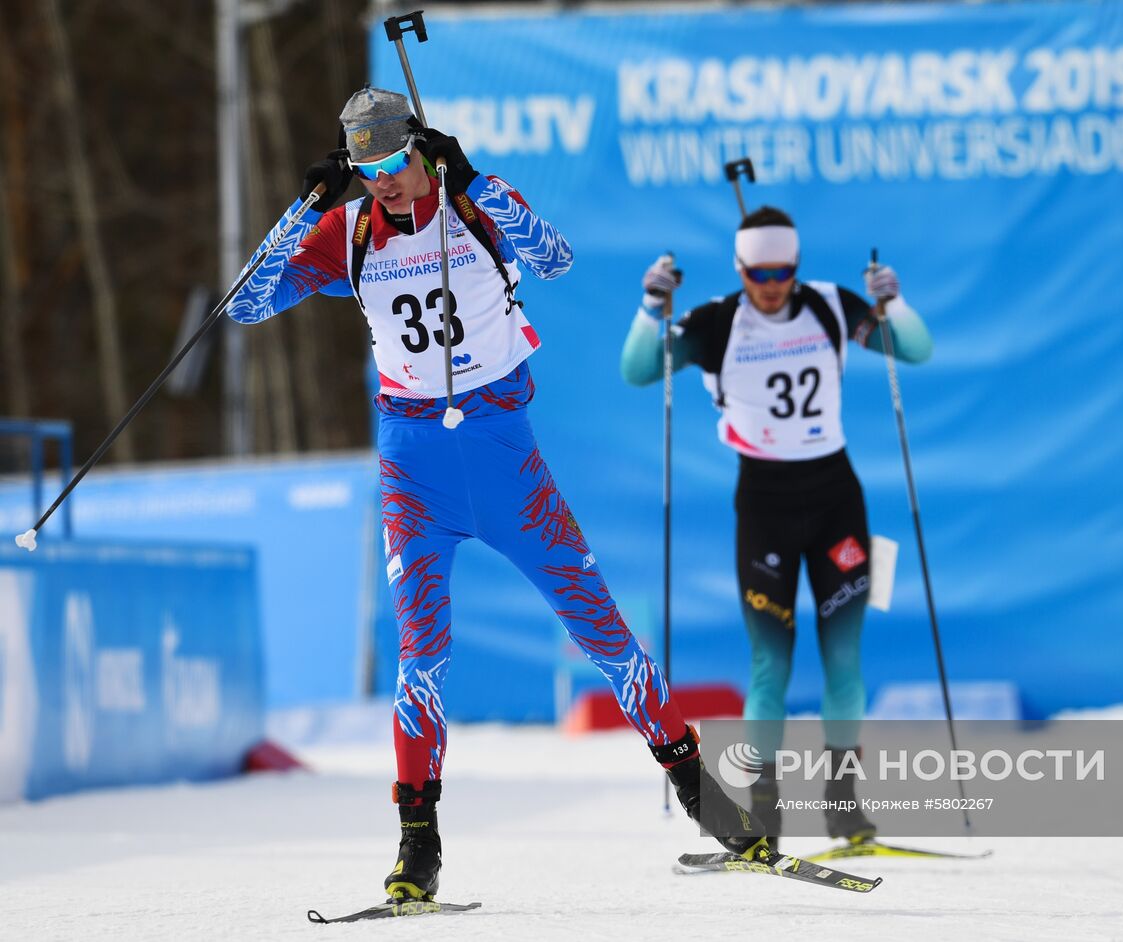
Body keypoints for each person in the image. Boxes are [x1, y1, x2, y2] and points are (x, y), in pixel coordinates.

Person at [227, 87, 765, 901]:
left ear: (420, 147)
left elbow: (555, 258)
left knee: (603, 630)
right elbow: (246, 304)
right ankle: (418, 848)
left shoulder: (477, 209)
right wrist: (305, 209)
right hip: (413, 472)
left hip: (505, 459)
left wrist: (474, 184)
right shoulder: (350, 234)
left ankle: (706, 800)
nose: (385, 184)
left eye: (394, 164)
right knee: (422, 657)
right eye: (364, 171)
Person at [619, 206, 933, 850]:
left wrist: (893, 304)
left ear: (796, 266)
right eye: (759, 272)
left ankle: (845, 808)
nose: (771, 284)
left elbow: (916, 351)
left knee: (845, 658)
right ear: (740, 268)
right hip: (764, 504)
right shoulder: (715, 322)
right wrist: (652, 307)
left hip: (837, 501)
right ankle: (763, 810)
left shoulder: (830, 306)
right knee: (771, 665)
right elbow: (639, 370)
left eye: (782, 271)